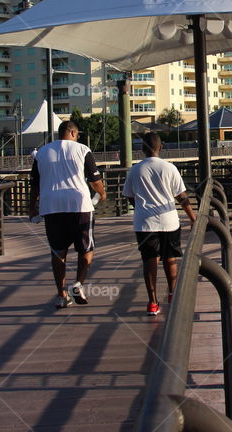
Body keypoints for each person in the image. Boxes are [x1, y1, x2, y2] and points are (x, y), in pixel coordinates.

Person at [29, 120, 106, 309]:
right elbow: (94, 179)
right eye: (77, 134)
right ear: (72, 133)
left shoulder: (42, 153)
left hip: (51, 206)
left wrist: (32, 207)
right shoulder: (82, 150)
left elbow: (35, 185)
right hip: (80, 205)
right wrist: (102, 193)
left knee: (58, 252)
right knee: (86, 249)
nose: (78, 137)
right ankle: (78, 283)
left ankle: (61, 295)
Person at [123, 133, 196, 316]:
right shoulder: (170, 168)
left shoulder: (135, 170)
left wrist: (140, 208)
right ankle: (172, 293)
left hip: (144, 223)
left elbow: (129, 196)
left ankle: (153, 302)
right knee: (170, 258)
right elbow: (182, 197)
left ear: (142, 149)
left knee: (149, 260)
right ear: (161, 147)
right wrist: (192, 217)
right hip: (169, 221)